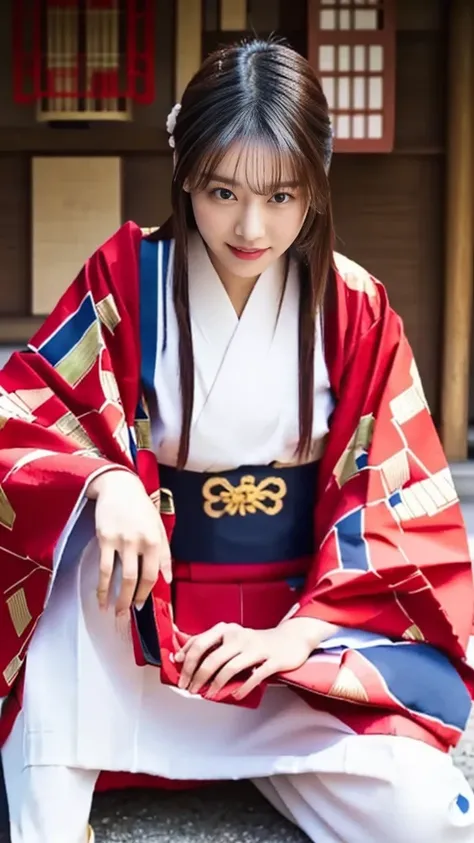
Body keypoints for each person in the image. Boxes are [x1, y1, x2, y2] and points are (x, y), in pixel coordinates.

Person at [0, 37, 473, 843]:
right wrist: (107, 482)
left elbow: (394, 500)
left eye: (283, 196)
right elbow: (30, 410)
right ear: (185, 172)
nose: (252, 227)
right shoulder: (127, 279)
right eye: (223, 191)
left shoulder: (356, 306)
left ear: (316, 190)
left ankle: (272, 746)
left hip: (298, 639)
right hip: (141, 625)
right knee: (73, 556)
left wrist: (294, 637)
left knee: (424, 818)